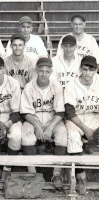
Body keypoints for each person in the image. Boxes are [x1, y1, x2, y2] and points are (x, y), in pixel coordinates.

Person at [20, 57, 67, 189]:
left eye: (47, 71)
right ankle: (32, 173)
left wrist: (50, 128)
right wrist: (37, 126)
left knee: (63, 134)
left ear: (51, 72)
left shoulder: (56, 87)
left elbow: (60, 112)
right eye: (41, 71)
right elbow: (25, 112)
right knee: (27, 136)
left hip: (52, 119)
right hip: (33, 119)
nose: (44, 74)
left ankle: (56, 174)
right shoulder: (29, 87)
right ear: (36, 70)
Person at [64, 56, 99, 194]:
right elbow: (69, 112)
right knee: (72, 135)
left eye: (91, 70)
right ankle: (80, 176)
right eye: (85, 69)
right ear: (80, 69)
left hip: (95, 116)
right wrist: (85, 129)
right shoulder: (71, 85)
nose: (87, 73)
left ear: (95, 70)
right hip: (76, 119)